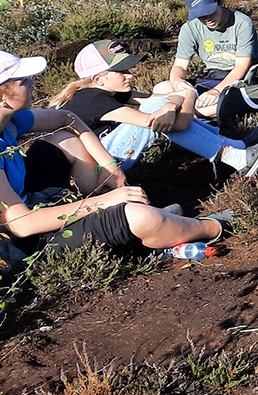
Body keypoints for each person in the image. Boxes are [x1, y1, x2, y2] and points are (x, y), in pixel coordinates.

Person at [1, 51, 233, 258]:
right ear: (2, 97)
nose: (33, 84)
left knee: (66, 139)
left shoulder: (11, 121)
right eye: (23, 81)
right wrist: (105, 201)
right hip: (26, 239)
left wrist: (109, 165)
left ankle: (136, 217)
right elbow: (21, 224)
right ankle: (209, 226)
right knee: (140, 218)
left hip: (32, 200)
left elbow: (67, 118)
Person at [53, 40, 258, 177]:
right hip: (94, 172)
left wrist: (176, 98)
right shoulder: (92, 100)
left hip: (104, 157)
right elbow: (173, 123)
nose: (131, 75)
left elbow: (161, 96)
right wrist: (187, 95)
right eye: (121, 71)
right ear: (99, 79)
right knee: (159, 110)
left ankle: (235, 146)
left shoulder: (106, 92)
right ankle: (233, 158)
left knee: (161, 100)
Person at [157, 0, 258, 119]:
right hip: (211, 77)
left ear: (220, 2)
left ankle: (181, 114)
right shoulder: (190, 28)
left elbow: (241, 66)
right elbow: (180, 65)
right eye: (200, 15)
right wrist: (177, 81)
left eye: (209, 12)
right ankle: (188, 114)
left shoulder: (242, 23)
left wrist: (216, 91)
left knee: (222, 102)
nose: (207, 19)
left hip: (240, 80)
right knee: (162, 88)